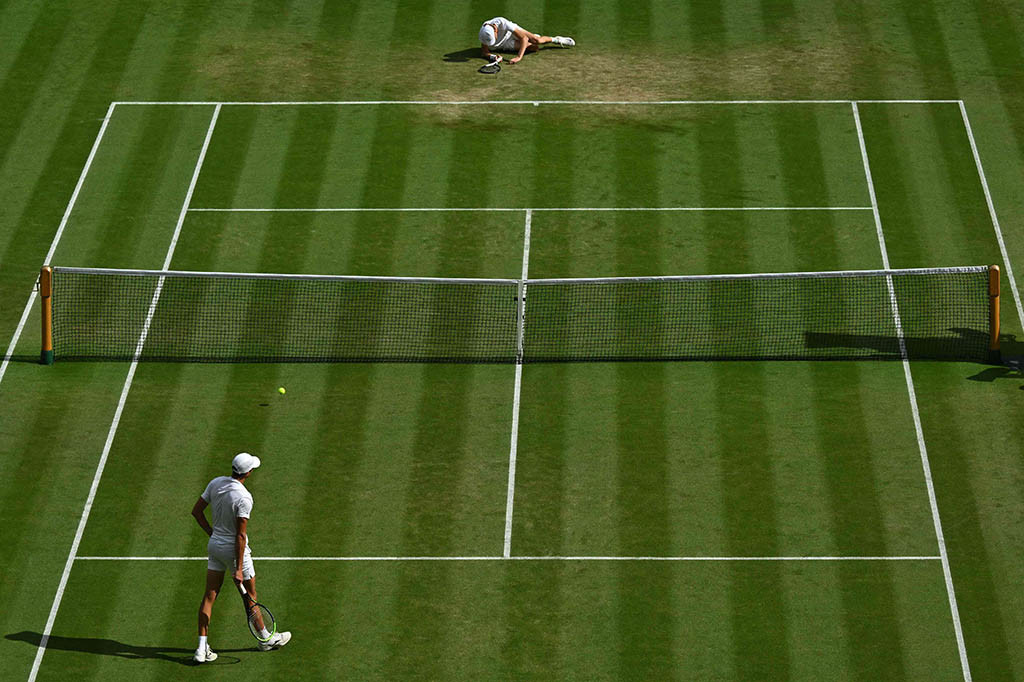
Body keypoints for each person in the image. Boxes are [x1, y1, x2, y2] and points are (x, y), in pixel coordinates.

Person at [191, 452, 291, 663]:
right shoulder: (244, 498)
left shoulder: (216, 483)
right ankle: (266, 639)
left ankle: (201, 649)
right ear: (249, 472)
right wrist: (237, 568)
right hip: (235, 552)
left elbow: (197, 512)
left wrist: (212, 533)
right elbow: (240, 535)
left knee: (209, 596)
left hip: (215, 547)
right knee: (250, 595)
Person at [478, 17, 575, 64]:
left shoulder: (502, 22)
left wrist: (519, 57)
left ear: (495, 30)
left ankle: (556, 39)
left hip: (511, 33)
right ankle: (530, 43)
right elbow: (485, 52)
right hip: (503, 45)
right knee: (534, 48)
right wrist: (493, 57)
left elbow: (524, 38)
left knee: (537, 40)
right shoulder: (484, 33)